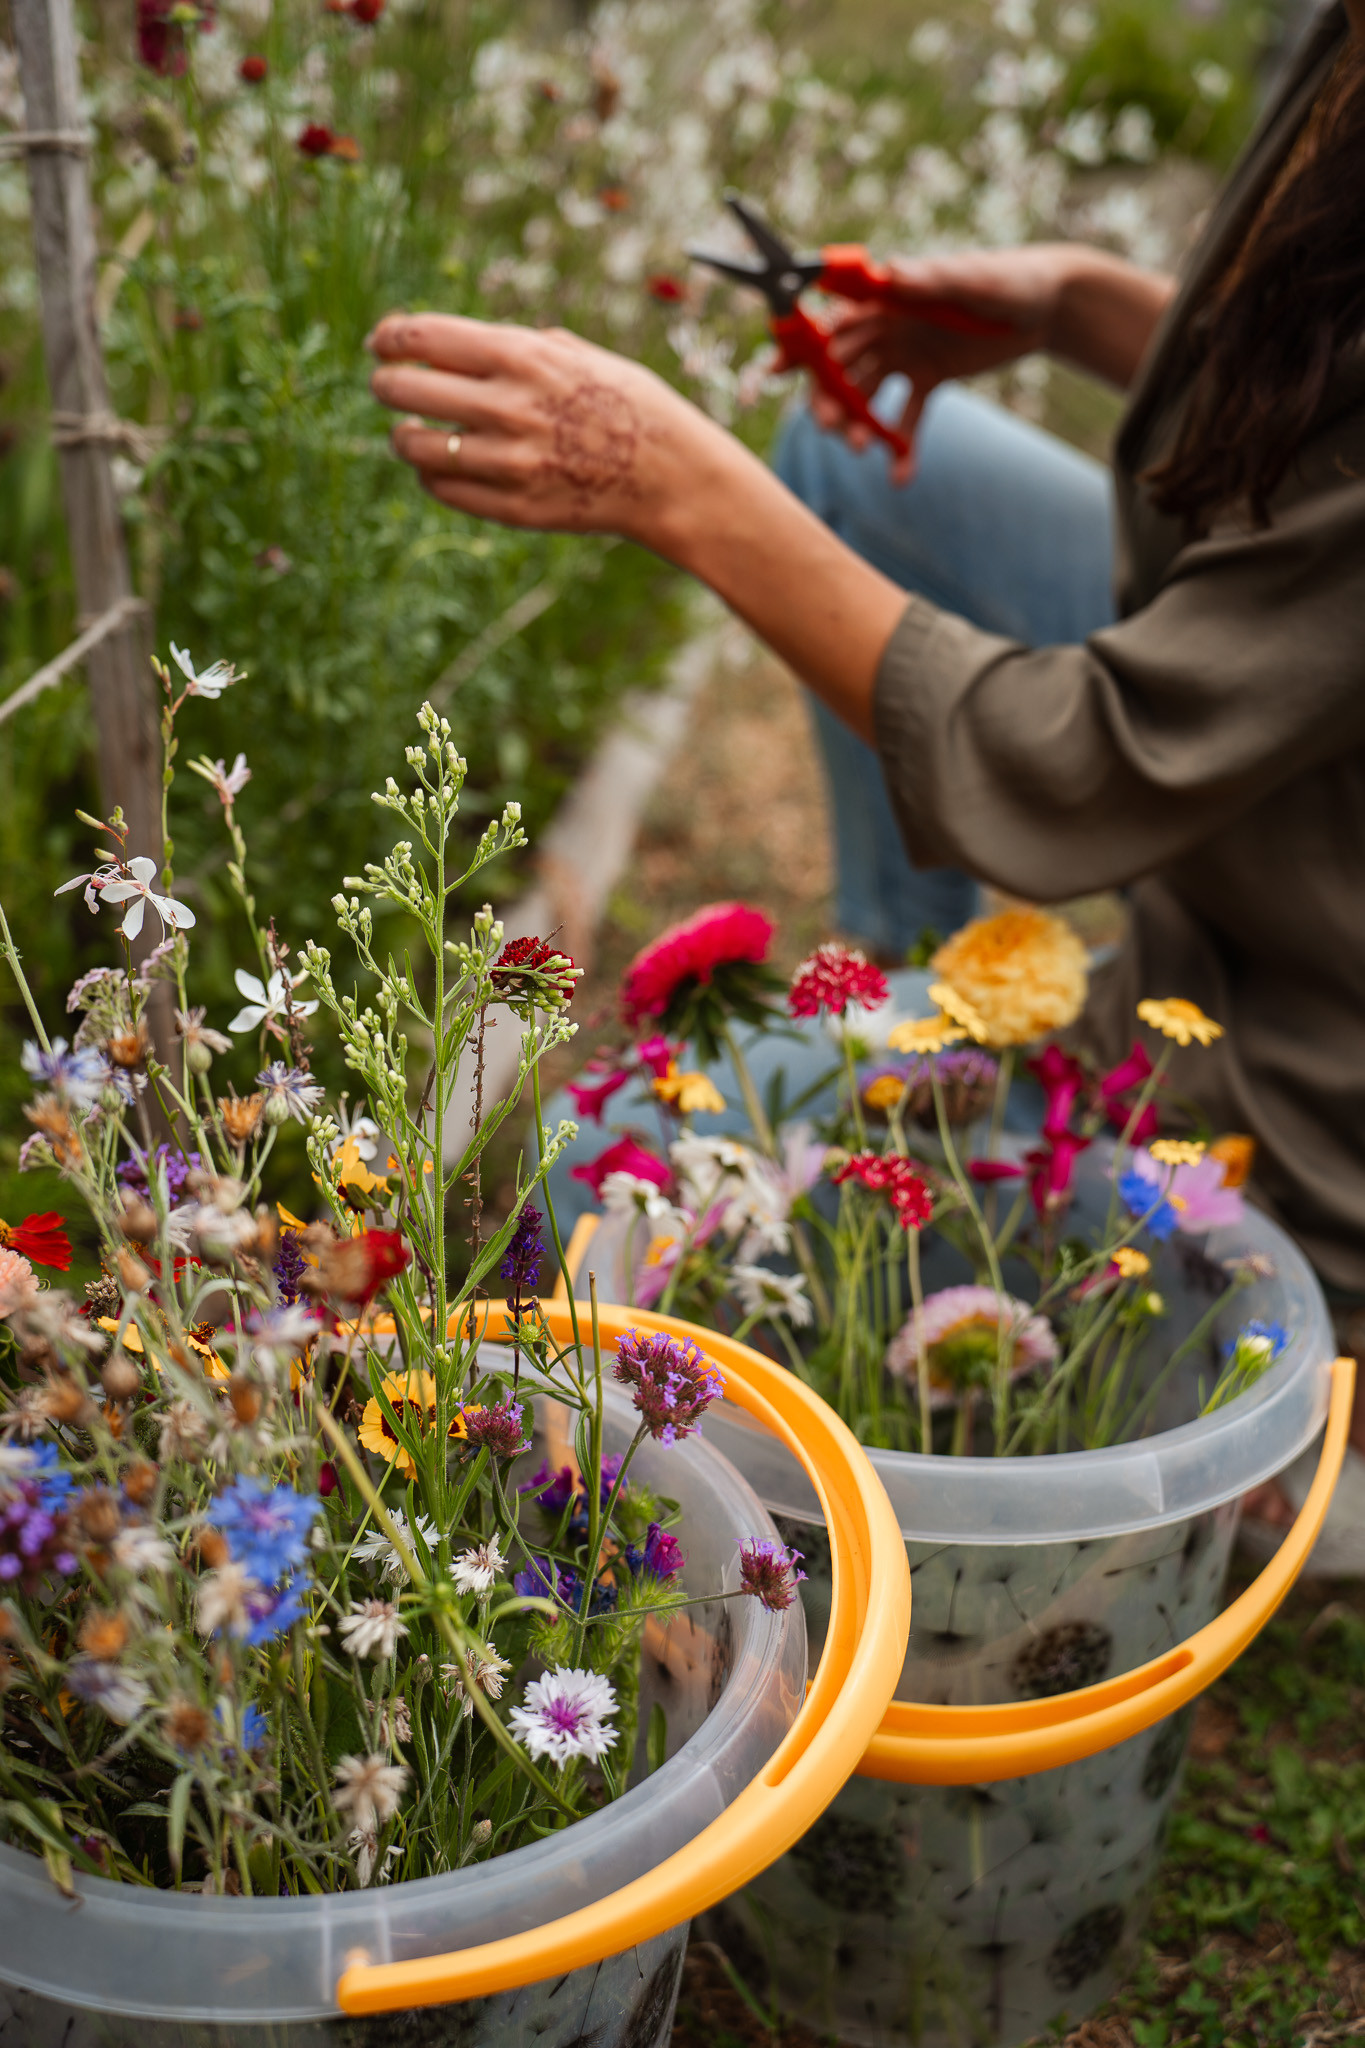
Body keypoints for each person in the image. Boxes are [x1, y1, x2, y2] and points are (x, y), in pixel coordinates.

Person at [368, 1, 1365, 1498]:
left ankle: (1306, 1424)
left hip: (1308, 1088)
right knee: (863, 454)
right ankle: (912, 1016)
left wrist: (673, 481)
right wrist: (1072, 302)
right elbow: (1316, 397)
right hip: (1290, 774)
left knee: (595, 1179)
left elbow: (1076, 760)